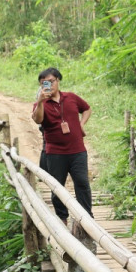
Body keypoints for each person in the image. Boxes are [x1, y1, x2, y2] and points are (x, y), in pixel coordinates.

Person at [31, 67, 92, 221]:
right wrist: (40, 102)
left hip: (78, 151)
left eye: (51, 81)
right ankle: (62, 218)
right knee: (57, 187)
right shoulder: (40, 104)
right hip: (55, 153)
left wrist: (81, 124)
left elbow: (87, 109)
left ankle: (87, 219)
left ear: (58, 80)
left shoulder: (71, 97)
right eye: (44, 83)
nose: (48, 85)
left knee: (82, 183)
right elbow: (38, 119)